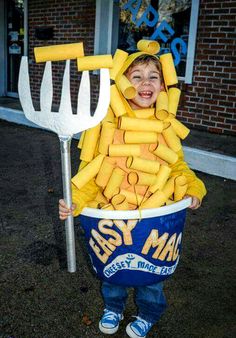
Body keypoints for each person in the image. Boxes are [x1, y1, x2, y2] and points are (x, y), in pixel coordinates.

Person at [59, 53, 206, 338]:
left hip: (154, 217)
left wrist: (192, 189)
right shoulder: (106, 126)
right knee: (112, 270)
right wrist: (75, 200)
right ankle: (113, 306)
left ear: (163, 87)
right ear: (122, 84)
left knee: (151, 275)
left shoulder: (166, 127)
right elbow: (92, 170)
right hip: (112, 215)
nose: (145, 83)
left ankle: (148, 312)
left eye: (153, 76)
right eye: (136, 76)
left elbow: (178, 166)